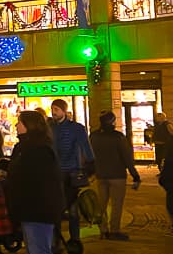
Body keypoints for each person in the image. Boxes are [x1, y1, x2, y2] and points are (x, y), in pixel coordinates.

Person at [5, 110, 65, 254]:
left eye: (19, 122)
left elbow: (37, 180)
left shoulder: (38, 149)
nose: (16, 125)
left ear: (29, 125)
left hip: (37, 210)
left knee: (38, 249)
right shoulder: (26, 146)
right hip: (29, 210)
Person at [49, 98, 93, 251]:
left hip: (73, 173)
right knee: (56, 209)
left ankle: (75, 240)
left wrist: (89, 168)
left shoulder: (77, 128)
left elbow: (87, 149)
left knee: (73, 210)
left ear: (64, 111)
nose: (53, 112)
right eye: (52, 109)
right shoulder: (50, 128)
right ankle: (57, 241)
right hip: (55, 173)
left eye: (56, 109)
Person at [89, 111, 140, 240]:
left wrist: (90, 172)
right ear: (113, 122)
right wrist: (135, 175)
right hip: (117, 175)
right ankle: (114, 230)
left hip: (100, 174)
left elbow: (89, 156)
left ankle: (103, 229)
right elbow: (127, 158)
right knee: (117, 204)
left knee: (101, 204)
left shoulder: (94, 136)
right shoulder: (118, 137)